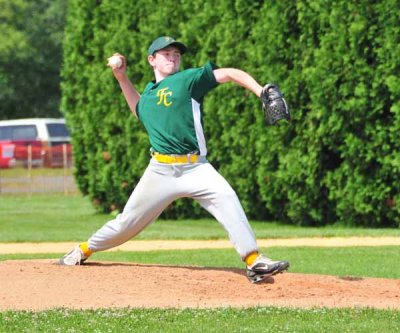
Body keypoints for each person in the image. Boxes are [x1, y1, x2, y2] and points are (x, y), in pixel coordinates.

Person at [59, 36, 289, 283]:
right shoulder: (148, 94)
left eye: (176, 53)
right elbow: (139, 109)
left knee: (227, 198)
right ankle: (83, 249)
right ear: (152, 60)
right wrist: (121, 77)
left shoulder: (188, 80)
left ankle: (254, 261)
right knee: (127, 223)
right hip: (160, 170)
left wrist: (261, 91)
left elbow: (230, 73)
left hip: (196, 167)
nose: (172, 56)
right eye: (166, 52)